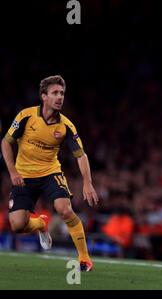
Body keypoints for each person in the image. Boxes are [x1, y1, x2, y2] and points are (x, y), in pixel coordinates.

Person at [1, 75, 99, 271]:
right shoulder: (26, 117)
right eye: (55, 93)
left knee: (64, 209)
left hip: (50, 173)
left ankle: (84, 259)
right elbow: (6, 142)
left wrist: (87, 182)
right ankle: (40, 224)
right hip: (24, 175)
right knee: (17, 225)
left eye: (62, 93)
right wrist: (12, 172)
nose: (60, 97)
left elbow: (81, 155)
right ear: (44, 96)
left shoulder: (66, 126)